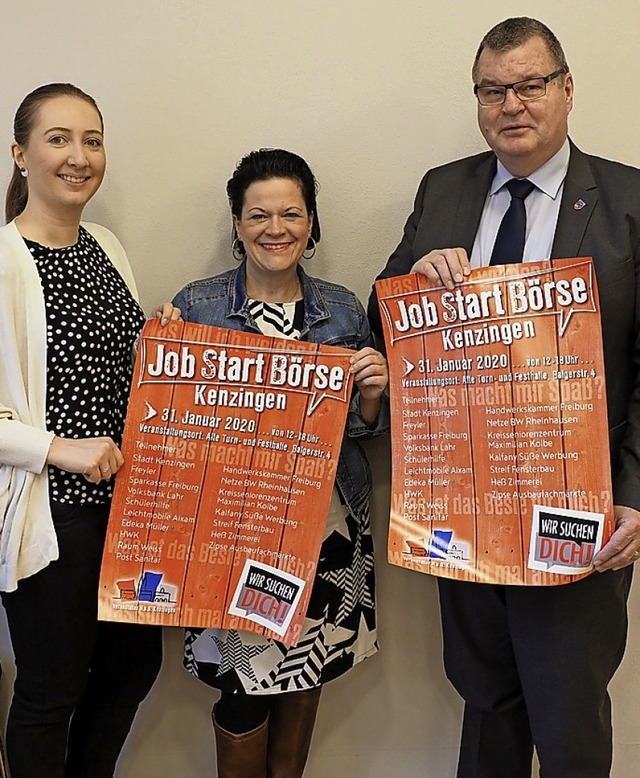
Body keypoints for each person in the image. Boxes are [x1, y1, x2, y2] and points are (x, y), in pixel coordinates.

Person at [368, 17, 640, 778]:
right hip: (465, 505)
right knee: (486, 704)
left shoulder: (627, 200)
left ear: (567, 90)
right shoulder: (444, 188)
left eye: (529, 85)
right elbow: (380, 318)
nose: (511, 104)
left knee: (568, 713)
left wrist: (638, 498)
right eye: (494, 90)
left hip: (581, 511)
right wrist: (417, 278)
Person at [173, 148, 388, 777]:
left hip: (327, 529)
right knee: (239, 683)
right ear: (237, 225)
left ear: (312, 222)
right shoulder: (196, 307)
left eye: (292, 214)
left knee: (305, 672)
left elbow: (357, 434)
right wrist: (156, 357)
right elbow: (171, 425)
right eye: (258, 214)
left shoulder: (344, 309)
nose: (276, 228)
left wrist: (371, 395)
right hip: (230, 529)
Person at [0, 83, 177, 778]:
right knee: (51, 691)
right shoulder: (5, 259)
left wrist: (156, 344)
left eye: (92, 140)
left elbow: (114, 367)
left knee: (132, 670)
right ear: (20, 155)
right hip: (54, 514)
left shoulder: (105, 245)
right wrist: (57, 449)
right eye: (59, 139)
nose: (79, 156)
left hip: (129, 510)